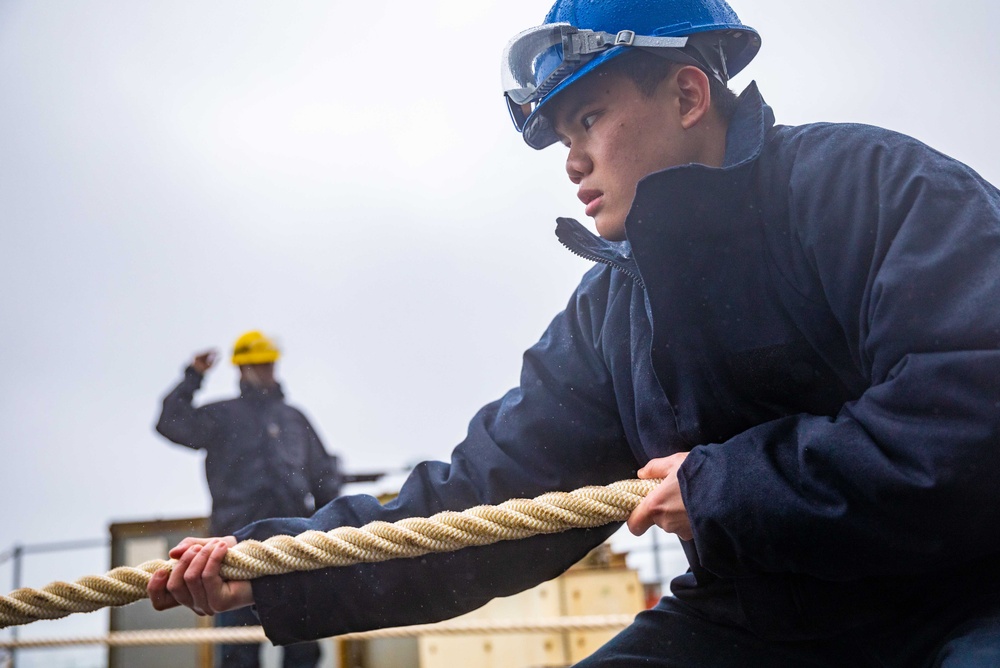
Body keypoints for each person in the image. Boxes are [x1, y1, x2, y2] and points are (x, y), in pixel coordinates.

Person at [148, 0, 1000, 664]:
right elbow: (482, 501)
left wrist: (730, 486)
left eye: (587, 118)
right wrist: (271, 567)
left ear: (689, 93)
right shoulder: (611, 317)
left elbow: (973, 406)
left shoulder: (871, 187)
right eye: (560, 136)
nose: (571, 163)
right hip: (771, 625)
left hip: (971, 589)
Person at [155, 330, 341, 668]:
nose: (266, 370)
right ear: (241, 368)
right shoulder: (223, 416)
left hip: (293, 548)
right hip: (233, 549)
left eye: (269, 364)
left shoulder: (294, 420)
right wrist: (192, 376)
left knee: (303, 649)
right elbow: (171, 423)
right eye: (258, 364)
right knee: (237, 651)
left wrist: (325, 536)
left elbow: (324, 480)